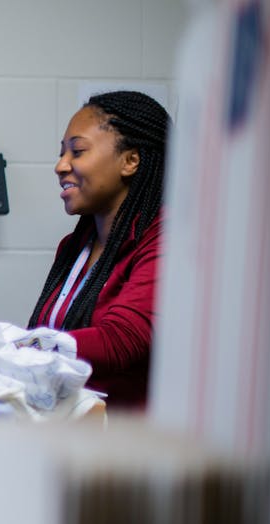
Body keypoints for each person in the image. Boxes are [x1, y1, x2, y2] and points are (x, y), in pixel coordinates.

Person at [28, 90, 170, 410]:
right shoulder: (74, 247)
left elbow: (121, 341)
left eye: (77, 151)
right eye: (62, 153)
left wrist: (19, 349)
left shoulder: (166, 238)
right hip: (71, 435)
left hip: (129, 447)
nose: (60, 166)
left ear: (130, 160)